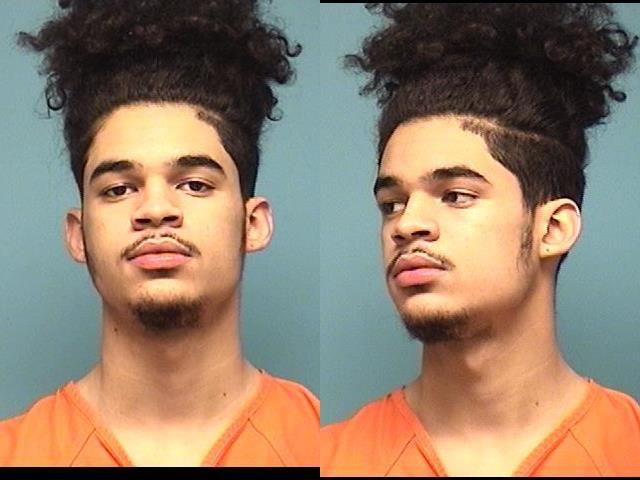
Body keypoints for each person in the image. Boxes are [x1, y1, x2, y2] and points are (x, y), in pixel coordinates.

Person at [321, 3, 639, 476]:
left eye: (455, 195)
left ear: (553, 229)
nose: (407, 224)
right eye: (392, 203)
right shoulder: (329, 458)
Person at [0, 0, 318, 467]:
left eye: (194, 185)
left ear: (253, 223)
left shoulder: (325, 445)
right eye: (119, 189)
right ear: (78, 234)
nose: (154, 210)